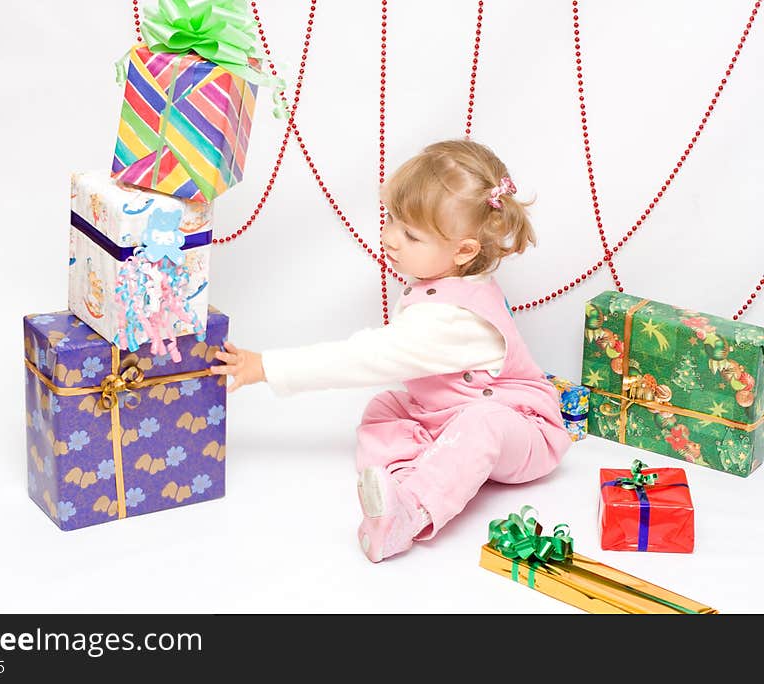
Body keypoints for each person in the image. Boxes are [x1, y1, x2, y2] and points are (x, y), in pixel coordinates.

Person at [211, 139, 572, 563]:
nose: (391, 238)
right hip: (444, 413)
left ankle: (412, 511)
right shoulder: (451, 282)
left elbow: (363, 357)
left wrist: (267, 366)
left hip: (522, 431)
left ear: (463, 251)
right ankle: (403, 481)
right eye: (391, 219)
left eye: (411, 234)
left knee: (483, 421)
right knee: (385, 408)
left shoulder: (452, 322)